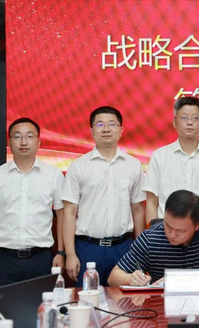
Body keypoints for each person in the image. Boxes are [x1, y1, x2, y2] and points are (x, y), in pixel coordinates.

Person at [0, 117, 65, 296]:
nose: (23, 142)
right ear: (9, 142)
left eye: (29, 136)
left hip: (41, 259)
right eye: (17, 137)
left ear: (39, 142)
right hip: (4, 260)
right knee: (3, 311)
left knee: (42, 310)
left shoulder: (54, 175)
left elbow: (63, 215)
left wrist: (61, 253)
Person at [62, 106, 146, 286]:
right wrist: (70, 254)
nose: (106, 129)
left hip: (123, 248)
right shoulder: (78, 166)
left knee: (124, 301)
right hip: (87, 248)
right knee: (87, 299)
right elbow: (69, 212)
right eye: (100, 124)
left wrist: (140, 251)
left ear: (121, 130)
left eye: (112, 124)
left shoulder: (133, 165)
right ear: (91, 131)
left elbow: (138, 209)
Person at [108, 190, 199, 286]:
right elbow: (113, 278)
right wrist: (130, 279)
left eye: (180, 231)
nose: (172, 234)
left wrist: (179, 278)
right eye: (168, 226)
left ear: (197, 225)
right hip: (161, 307)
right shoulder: (150, 237)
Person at [143, 96, 199, 221]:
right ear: (174, 122)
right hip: (168, 228)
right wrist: (153, 231)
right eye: (184, 118)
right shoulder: (159, 156)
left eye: (195, 118)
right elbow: (152, 201)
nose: (190, 122)